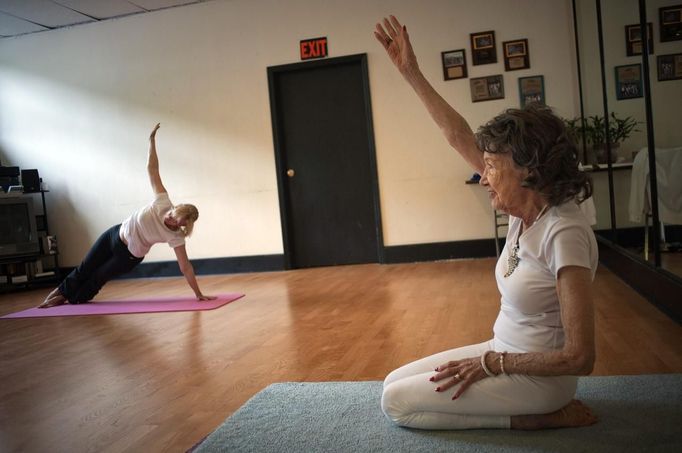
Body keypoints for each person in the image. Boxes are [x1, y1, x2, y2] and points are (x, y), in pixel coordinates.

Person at [374, 16, 599, 430]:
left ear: (528, 170)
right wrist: (412, 73)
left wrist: (492, 363)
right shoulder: (524, 209)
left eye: (492, 167)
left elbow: (580, 357)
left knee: (397, 405)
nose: (483, 177)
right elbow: (456, 134)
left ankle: (540, 419)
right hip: (501, 349)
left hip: (539, 377)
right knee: (391, 382)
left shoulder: (563, 232)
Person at [39, 123, 215, 308]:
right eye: (172, 214)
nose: (170, 219)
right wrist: (151, 141)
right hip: (115, 234)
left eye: (176, 222)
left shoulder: (176, 236)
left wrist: (198, 294)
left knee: (98, 277)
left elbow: (185, 266)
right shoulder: (163, 202)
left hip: (129, 255)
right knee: (86, 267)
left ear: (182, 226)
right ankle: (57, 294)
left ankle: (70, 298)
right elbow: (152, 169)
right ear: (174, 208)